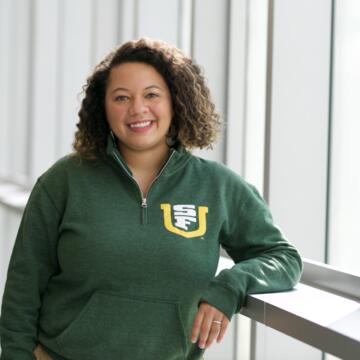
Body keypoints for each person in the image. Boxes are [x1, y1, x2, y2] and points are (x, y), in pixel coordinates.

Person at [0, 38, 302, 360]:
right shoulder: (64, 182)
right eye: (121, 97)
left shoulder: (217, 187)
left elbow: (283, 258)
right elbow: (23, 289)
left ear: (176, 101)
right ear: (103, 108)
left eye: (152, 95)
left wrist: (230, 287)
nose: (137, 109)